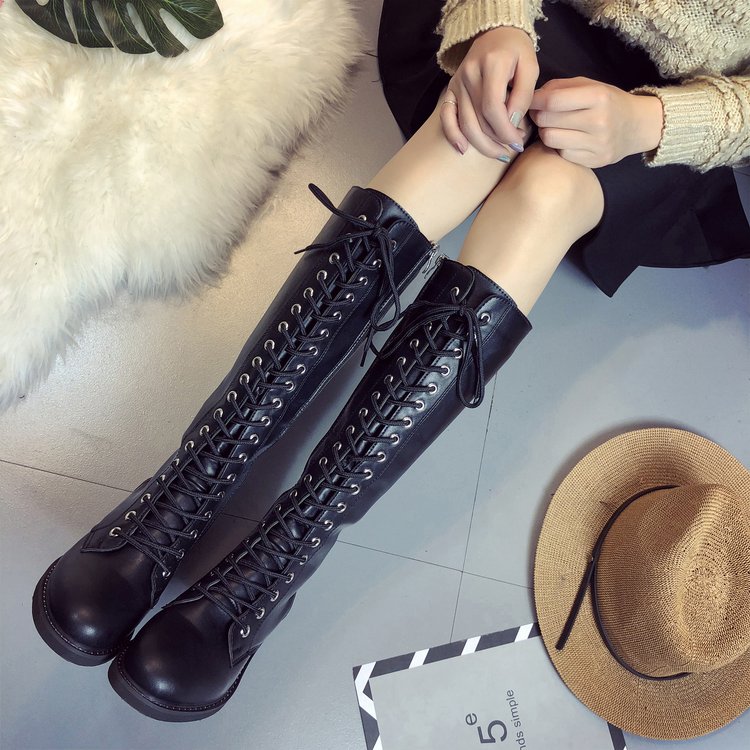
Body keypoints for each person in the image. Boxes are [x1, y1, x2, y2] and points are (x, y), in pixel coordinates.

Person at [32, 0, 749, 722]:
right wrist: (499, 20)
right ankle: (197, 475)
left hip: (676, 109)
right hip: (544, 19)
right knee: (474, 134)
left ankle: (295, 538)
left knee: (547, 190)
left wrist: (652, 122)